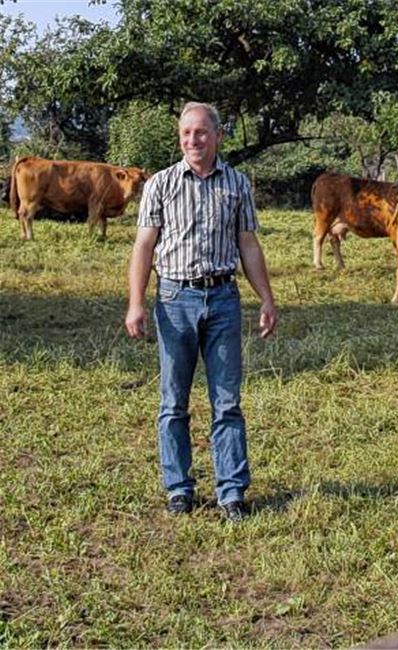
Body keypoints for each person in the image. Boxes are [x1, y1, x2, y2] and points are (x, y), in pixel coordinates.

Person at [124, 102, 278, 523]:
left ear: (218, 136)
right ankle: (179, 489)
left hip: (223, 300)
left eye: (201, 133)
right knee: (173, 402)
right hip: (174, 300)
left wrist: (266, 296)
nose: (193, 140)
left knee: (226, 401)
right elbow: (143, 246)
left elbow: (248, 243)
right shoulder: (160, 184)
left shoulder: (237, 184)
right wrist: (136, 303)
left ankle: (231, 492)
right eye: (186, 133)